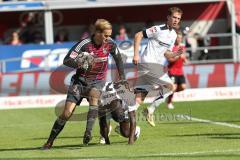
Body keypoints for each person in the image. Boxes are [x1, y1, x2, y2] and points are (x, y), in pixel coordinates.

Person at [42, 19, 126, 149]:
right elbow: (67, 60)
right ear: (97, 32)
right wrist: (80, 64)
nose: (108, 38)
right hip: (79, 82)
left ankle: (88, 133)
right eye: (106, 35)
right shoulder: (84, 44)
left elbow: (118, 59)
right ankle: (49, 142)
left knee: (94, 101)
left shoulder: (110, 44)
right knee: (66, 114)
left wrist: (123, 78)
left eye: (110, 35)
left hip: (97, 82)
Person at [131, 7, 183, 127]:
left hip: (155, 66)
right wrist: (135, 54)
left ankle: (118, 121)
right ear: (168, 17)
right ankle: (150, 110)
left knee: (139, 99)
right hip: (148, 63)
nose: (176, 20)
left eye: (178, 19)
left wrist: (175, 54)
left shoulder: (174, 35)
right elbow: (138, 35)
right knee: (170, 87)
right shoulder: (158, 29)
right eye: (174, 17)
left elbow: (166, 53)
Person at [167, 31, 188, 109]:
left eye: (180, 38)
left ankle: (168, 93)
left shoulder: (182, 47)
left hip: (180, 71)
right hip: (172, 71)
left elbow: (184, 58)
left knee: (183, 87)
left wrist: (185, 59)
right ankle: (169, 102)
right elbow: (170, 60)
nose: (179, 39)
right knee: (174, 87)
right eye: (178, 38)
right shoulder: (171, 48)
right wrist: (178, 56)